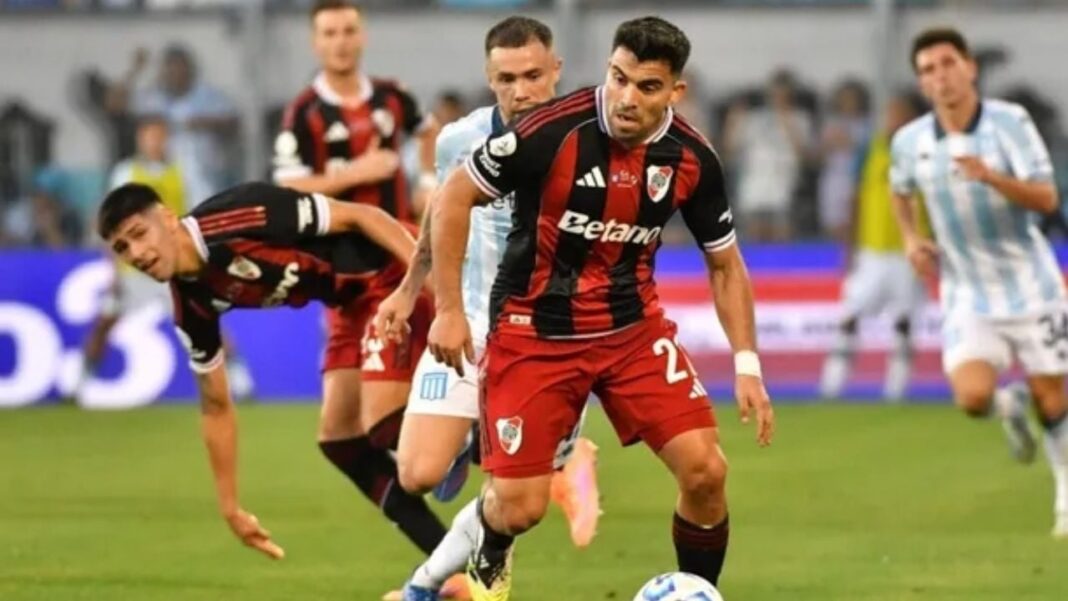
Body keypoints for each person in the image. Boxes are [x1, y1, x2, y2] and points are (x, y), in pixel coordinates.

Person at [426, 17, 775, 600]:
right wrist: (448, 309)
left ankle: (697, 593)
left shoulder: (692, 159)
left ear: (675, 92)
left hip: (631, 332)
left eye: (647, 86)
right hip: (533, 333)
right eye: (618, 78)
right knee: (520, 509)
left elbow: (725, 264)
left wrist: (747, 364)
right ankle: (491, 532)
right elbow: (454, 197)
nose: (627, 98)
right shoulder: (549, 132)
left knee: (706, 472)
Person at [96, 182, 464, 585]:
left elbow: (364, 216)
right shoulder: (191, 304)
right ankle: (453, 565)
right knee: (340, 440)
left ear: (168, 219)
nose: (136, 253)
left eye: (139, 234)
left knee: (381, 421)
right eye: (122, 248)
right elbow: (215, 405)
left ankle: (485, 436)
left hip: (392, 272)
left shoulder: (238, 215)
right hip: (347, 302)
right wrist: (230, 507)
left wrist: (434, 289)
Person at [372, 16, 600, 601]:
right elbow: (440, 214)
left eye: (533, 76)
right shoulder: (460, 139)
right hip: (469, 323)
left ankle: (422, 588)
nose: (521, 91)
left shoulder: (590, 141)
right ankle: (477, 441)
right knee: (416, 473)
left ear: (556, 71)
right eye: (506, 79)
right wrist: (409, 289)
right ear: (488, 77)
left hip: (546, 342)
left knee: (512, 501)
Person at [890, 27, 1068, 538]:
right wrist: (911, 237)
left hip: (1031, 285)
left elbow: (1047, 198)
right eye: (928, 70)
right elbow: (899, 188)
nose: (940, 76)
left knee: (1054, 401)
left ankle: (1064, 494)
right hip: (967, 290)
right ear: (922, 83)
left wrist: (992, 177)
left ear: (970, 68)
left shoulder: (1010, 122)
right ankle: (1008, 406)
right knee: (971, 398)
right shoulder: (911, 141)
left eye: (948, 64)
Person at [819, 91, 928, 402]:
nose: (891, 119)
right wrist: (849, 246)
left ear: (913, 118)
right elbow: (855, 198)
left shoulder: (926, 151)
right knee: (850, 316)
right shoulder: (870, 149)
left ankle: (896, 392)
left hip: (908, 253)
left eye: (898, 112)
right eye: (889, 113)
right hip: (872, 252)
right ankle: (831, 389)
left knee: (904, 323)